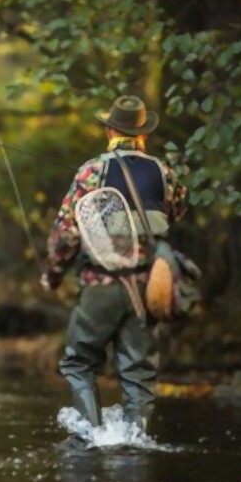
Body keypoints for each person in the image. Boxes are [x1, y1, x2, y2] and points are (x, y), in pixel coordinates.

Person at [42, 95, 188, 442]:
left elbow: (66, 233)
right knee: (138, 374)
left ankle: (88, 440)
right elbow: (176, 211)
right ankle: (136, 446)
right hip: (147, 289)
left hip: (102, 284)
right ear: (143, 135)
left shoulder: (92, 171)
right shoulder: (164, 172)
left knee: (79, 363)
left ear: (110, 130)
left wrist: (54, 273)